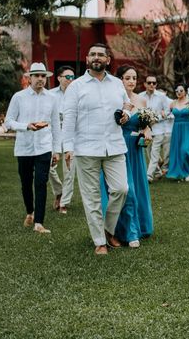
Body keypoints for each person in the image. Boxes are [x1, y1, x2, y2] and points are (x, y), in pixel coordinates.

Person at [62, 43, 130, 255]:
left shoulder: (118, 83)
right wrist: (68, 148)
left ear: (108, 59)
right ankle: (100, 241)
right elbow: (69, 117)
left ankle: (108, 229)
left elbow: (127, 104)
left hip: (115, 146)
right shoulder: (76, 86)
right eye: (93, 54)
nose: (96, 57)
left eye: (101, 54)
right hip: (86, 148)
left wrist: (126, 113)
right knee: (91, 197)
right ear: (87, 59)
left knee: (121, 189)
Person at [100, 65, 154, 248]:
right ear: (120, 80)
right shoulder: (114, 99)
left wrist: (147, 131)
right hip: (118, 148)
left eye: (134, 78)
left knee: (137, 189)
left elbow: (145, 123)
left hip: (135, 149)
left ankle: (139, 227)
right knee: (127, 191)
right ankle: (128, 233)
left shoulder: (142, 101)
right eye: (127, 78)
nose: (131, 81)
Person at [4, 62, 61, 234]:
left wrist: (56, 150)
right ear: (29, 78)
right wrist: (26, 126)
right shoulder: (19, 97)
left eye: (43, 76)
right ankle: (30, 212)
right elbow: (8, 122)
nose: (41, 79)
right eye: (37, 76)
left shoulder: (52, 98)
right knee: (26, 183)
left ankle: (39, 223)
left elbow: (56, 126)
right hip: (24, 147)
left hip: (44, 147)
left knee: (41, 183)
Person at [48, 66, 76, 214]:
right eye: (68, 77)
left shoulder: (78, 95)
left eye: (73, 77)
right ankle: (59, 190)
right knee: (48, 165)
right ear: (59, 78)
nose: (71, 80)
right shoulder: (50, 95)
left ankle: (64, 202)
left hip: (72, 136)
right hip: (54, 135)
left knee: (69, 170)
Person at [139, 75, 173, 182]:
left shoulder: (162, 96)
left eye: (154, 83)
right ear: (145, 84)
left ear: (156, 85)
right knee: (149, 152)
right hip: (146, 130)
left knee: (155, 153)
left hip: (159, 129)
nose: (152, 85)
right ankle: (157, 171)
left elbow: (167, 111)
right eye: (149, 83)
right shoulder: (140, 96)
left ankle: (148, 176)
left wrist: (156, 118)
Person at [165, 84, 189, 181]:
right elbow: (167, 114)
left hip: (188, 127)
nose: (179, 92)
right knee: (178, 151)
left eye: (181, 90)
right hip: (177, 128)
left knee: (185, 149)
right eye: (177, 91)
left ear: (185, 92)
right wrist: (163, 114)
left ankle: (188, 171)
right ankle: (181, 172)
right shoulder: (172, 103)